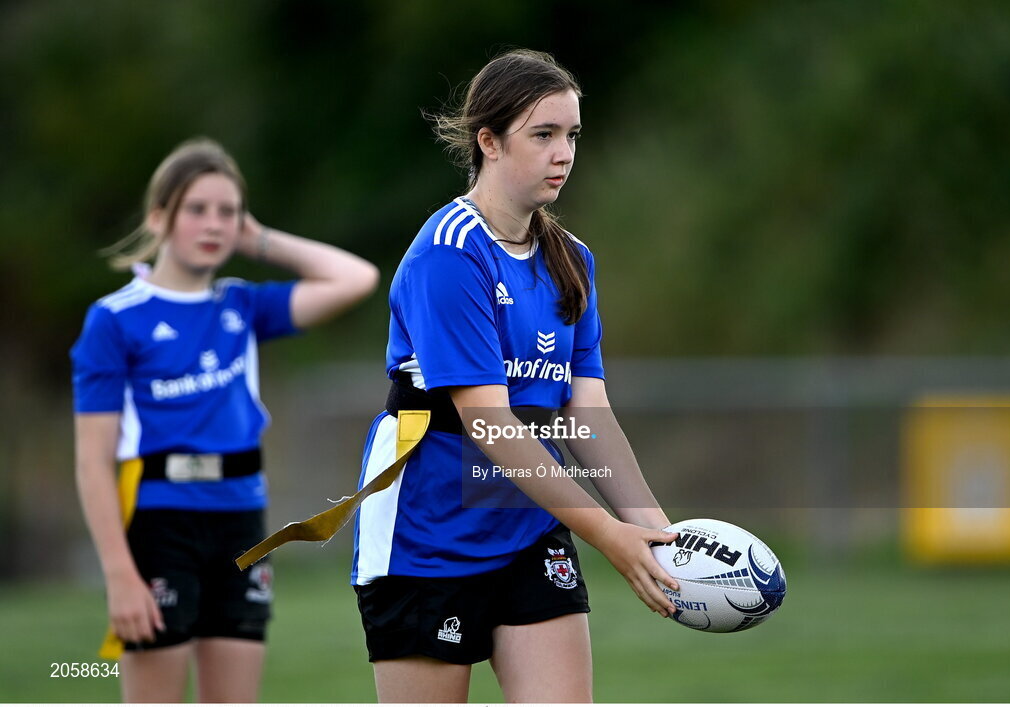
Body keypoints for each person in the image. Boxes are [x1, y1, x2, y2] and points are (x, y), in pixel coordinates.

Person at [351, 50, 680, 703]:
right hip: (428, 533)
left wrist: (658, 534)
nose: (564, 153)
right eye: (544, 134)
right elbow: (490, 424)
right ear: (489, 142)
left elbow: (587, 416)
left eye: (573, 135)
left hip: (528, 525)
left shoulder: (572, 262)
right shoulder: (449, 253)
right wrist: (607, 532)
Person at [71, 137, 379, 703]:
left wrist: (259, 240)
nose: (213, 224)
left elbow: (354, 278)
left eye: (227, 212)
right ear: (160, 217)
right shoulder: (114, 320)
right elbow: (92, 461)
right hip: (159, 524)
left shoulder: (241, 305)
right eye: (197, 209)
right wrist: (119, 575)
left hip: (240, 521)